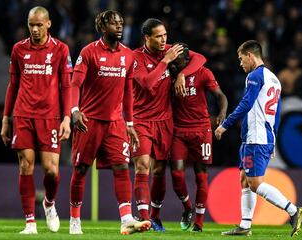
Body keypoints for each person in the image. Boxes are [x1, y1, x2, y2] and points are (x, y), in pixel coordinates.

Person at [69, 10, 151, 235]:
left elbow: (128, 92)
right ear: (102, 27)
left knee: (122, 167)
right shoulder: (89, 52)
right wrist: (75, 110)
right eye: (114, 23)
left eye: (121, 23)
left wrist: (130, 123)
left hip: (115, 123)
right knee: (81, 169)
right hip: (90, 121)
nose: (119, 26)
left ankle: (126, 219)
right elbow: (75, 84)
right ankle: (75, 219)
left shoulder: (128, 55)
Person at [215, 40, 302, 237]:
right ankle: (245, 225)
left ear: (250, 55)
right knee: (244, 179)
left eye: (241, 59)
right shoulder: (274, 78)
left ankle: (293, 211)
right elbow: (277, 112)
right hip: (261, 135)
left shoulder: (254, 76)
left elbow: (246, 103)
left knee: (255, 183)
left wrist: (225, 124)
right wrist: (273, 137)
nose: (240, 64)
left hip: (256, 136)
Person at [0, 6, 72, 234]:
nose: (35, 29)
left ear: (48, 24)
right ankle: (30, 222)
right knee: (25, 165)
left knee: (52, 170)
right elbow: (13, 85)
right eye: (31, 24)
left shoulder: (60, 49)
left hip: (50, 116)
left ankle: (49, 203)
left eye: (39, 24)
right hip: (23, 115)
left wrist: (67, 117)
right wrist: (5, 118)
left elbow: (67, 86)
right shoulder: (19, 49)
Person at [132, 18, 206, 232]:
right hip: (141, 120)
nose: (164, 39)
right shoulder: (135, 57)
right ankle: (145, 219)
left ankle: (155, 217)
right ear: (147, 38)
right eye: (159, 36)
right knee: (143, 166)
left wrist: (183, 73)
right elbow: (146, 84)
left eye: (165, 35)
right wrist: (165, 62)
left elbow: (200, 57)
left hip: (165, 121)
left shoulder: (170, 49)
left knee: (158, 171)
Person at [169, 43, 228, 232]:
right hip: (178, 131)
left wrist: (222, 112)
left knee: (201, 176)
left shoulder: (203, 73)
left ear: (187, 61)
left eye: (178, 63)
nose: (175, 66)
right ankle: (187, 207)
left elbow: (220, 95)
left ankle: (199, 222)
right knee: (176, 174)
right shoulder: (169, 73)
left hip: (202, 131)